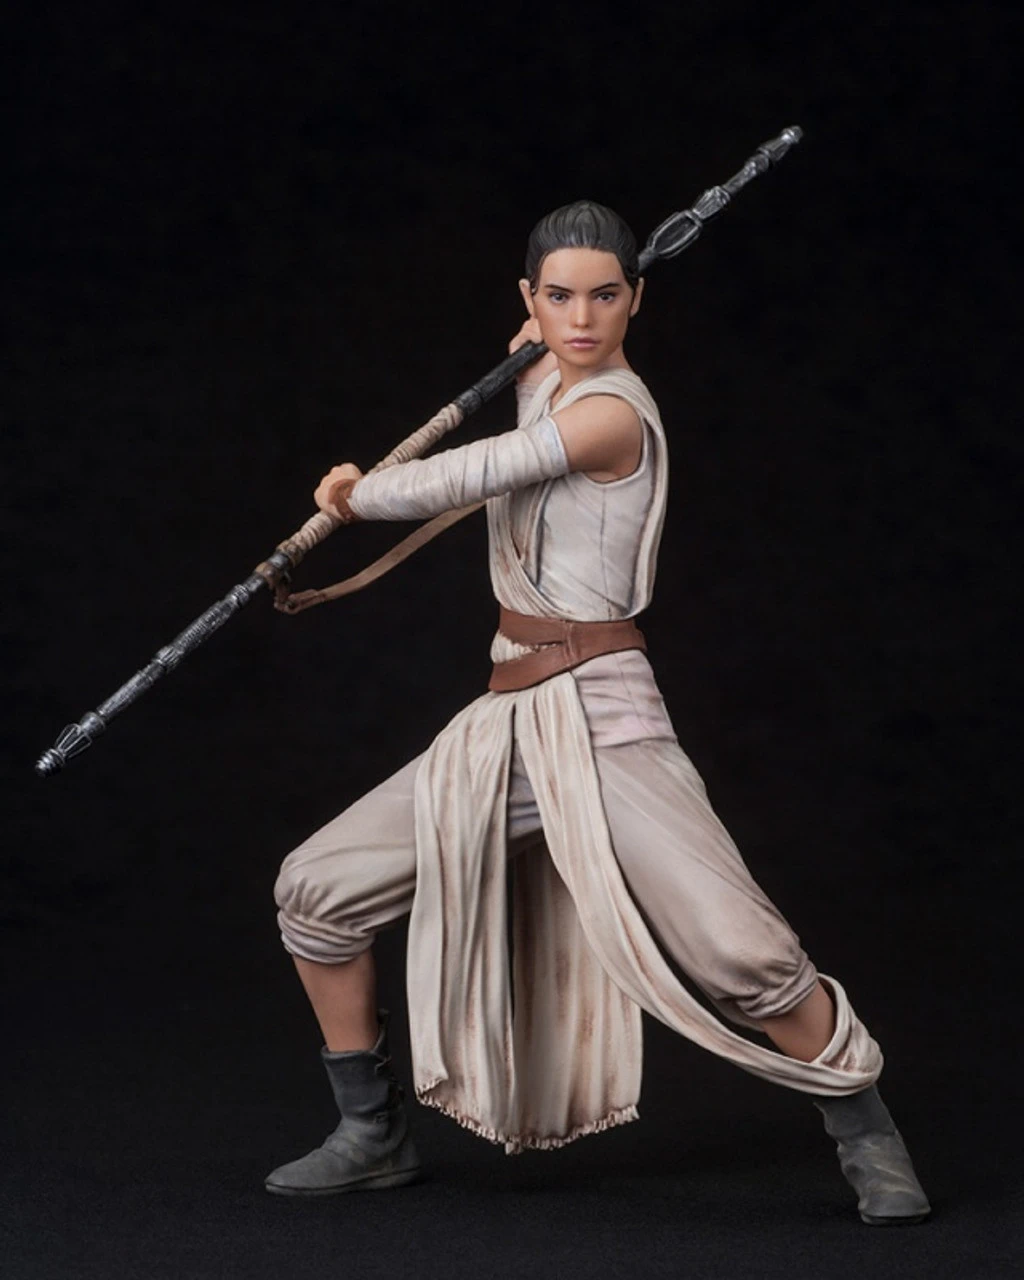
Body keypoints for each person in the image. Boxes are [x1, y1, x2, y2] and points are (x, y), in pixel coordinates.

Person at [265, 201, 930, 1225]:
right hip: (506, 720)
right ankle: (371, 1133)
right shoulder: (546, 379)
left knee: (742, 956)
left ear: (636, 299)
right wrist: (528, 366)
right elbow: (531, 401)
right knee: (315, 892)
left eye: (605, 296)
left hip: (606, 719)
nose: (582, 318)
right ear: (528, 300)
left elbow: (485, 469)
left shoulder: (614, 412)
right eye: (560, 297)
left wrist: (360, 493)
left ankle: (867, 1134)